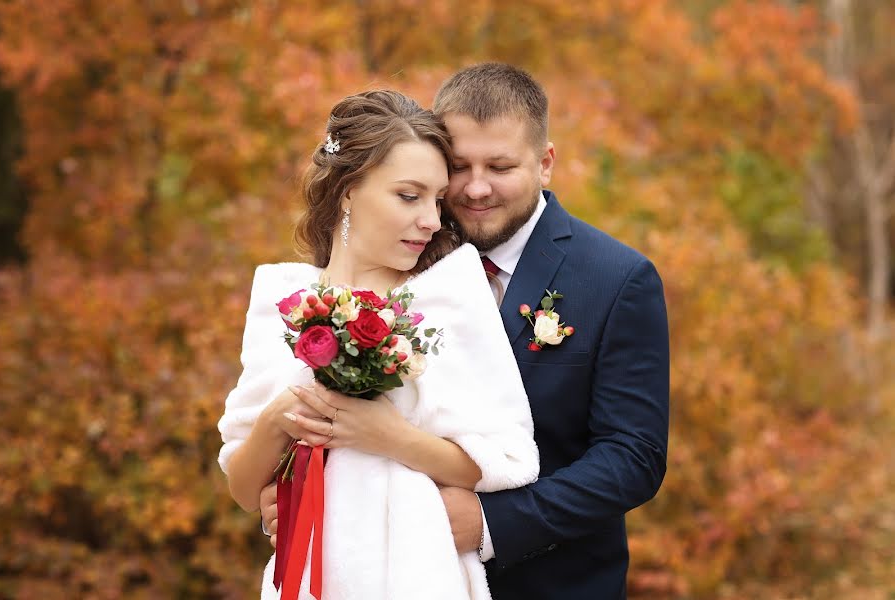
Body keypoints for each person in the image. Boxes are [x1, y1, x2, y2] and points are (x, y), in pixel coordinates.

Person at [261, 64, 670, 599]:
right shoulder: (397, 253)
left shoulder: (616, 279)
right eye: (460, 166)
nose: (476, 188)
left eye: (500, 166)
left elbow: (632, 457)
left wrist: (491, 523)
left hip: (552, 584)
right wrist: (302, 487)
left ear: (545, 163)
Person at [217, 89, 538, 600]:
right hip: (312, 572)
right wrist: (280, 416)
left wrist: (386, 436)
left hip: (418, 572)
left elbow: (507, 460)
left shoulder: (448, 295)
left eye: (437, 199)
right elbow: (243, 488)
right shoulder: (282, 300)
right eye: (409, 196)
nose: (432, 219)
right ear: (348, 190)